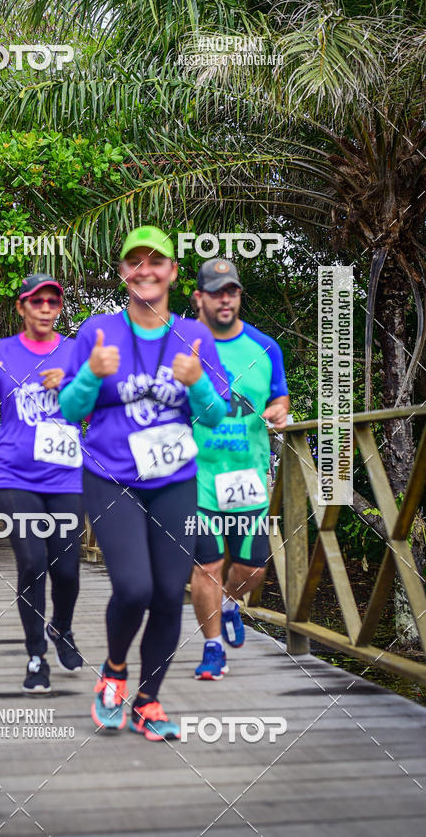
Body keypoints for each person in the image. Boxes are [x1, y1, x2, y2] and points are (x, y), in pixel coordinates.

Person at [59, 226, 230, 740]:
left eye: (157, 262)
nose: (146, 270)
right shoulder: (97, 331)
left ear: (173, 273)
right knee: (134, 588)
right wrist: (91, 374)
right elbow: (70, 408)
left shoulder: (194, 336)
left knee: (169, 593)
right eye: (135, 261)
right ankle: (114, 671)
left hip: (175, 479)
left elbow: (215, 415)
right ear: (123, 273)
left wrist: (196, 383)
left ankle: (148, 702)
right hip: (112, 476)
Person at [0, 274, 84, 693]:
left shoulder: (74, 351)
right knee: (33, 563)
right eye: (37, 301)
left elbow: (92, 407)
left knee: (66, 568)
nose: (46, 308)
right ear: (21, 307)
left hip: (66, 475)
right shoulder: (1, 352)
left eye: (53, 301)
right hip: (16, 475)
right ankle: (36, 654)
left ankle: (62, 628)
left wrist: (70, 385)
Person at [190, 259, 289, 680]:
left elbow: (280, 397)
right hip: (197, 475)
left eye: (231, 290)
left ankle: (230, 601)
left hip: (247, 475)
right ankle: (213, 647)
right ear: (199, 298)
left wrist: (279, 411)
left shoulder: (265, 347)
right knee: (206, 566)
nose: (225, 299)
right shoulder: (181, 342)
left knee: (253, 568)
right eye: (216, 292)